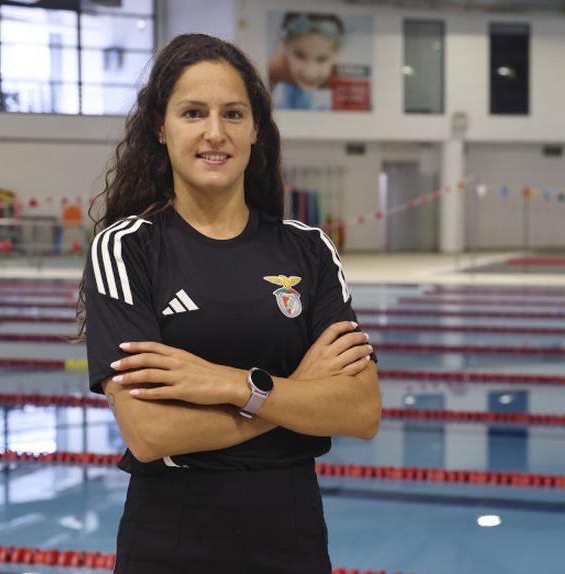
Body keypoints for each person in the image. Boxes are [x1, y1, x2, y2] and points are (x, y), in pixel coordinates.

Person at [75, 33, 381, 573]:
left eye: (233, 114)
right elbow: (150, 433)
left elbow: (360, 411)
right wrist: (294, 393)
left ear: (256, 128)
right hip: (172, 535)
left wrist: (230, 385)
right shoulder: (126, 249)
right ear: (160, 127)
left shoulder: (308, 249)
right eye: (193, 113)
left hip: (291, 532)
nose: (215, 133)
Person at [268, 12, 344, 110]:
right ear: (284, 48)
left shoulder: (344, 83)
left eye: (322, 59)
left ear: (336, 55)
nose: (310, 73)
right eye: (299, 56)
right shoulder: (273, 72)